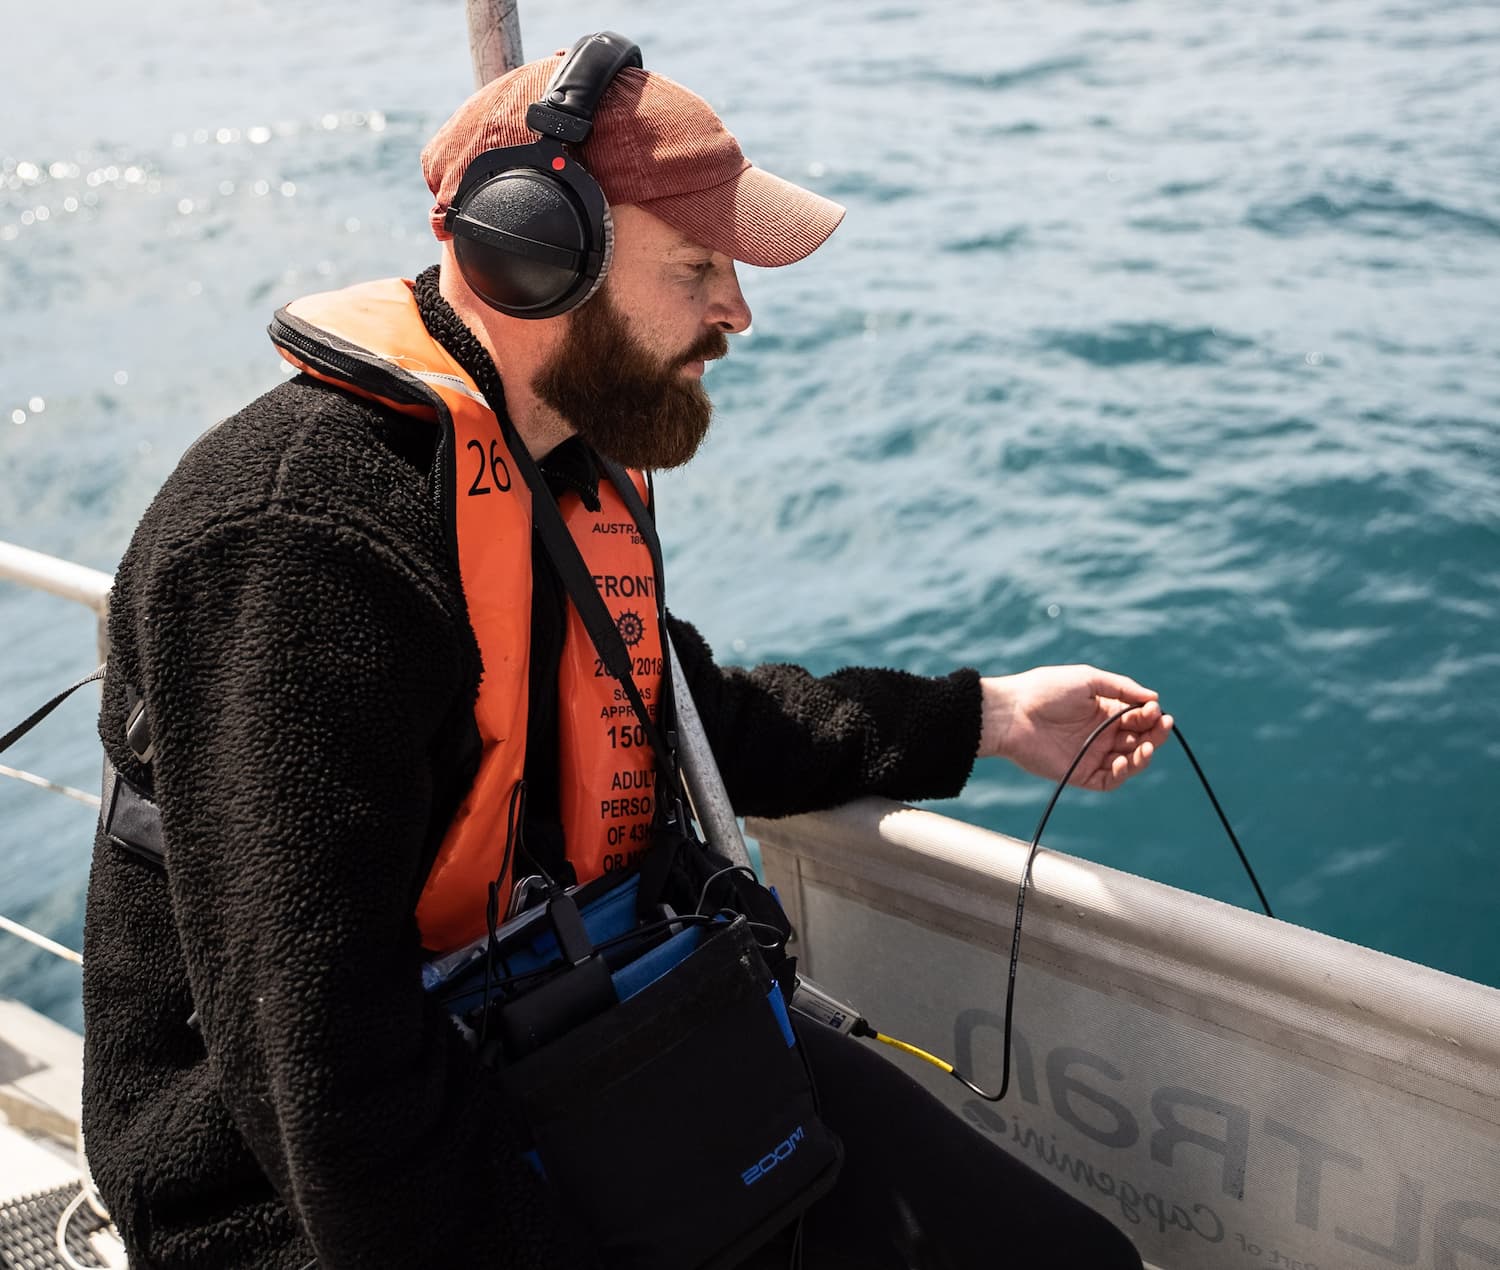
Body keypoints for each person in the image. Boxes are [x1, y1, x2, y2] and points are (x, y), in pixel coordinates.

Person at [82, 36, 1170, 1270]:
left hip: (575, 1037)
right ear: (534, 253)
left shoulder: (554, 473)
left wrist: (985, 716)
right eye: (700, 267)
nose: (738, 313)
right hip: (314, 1182)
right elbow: (317, 1062)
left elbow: (687, 713)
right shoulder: (299, 542)